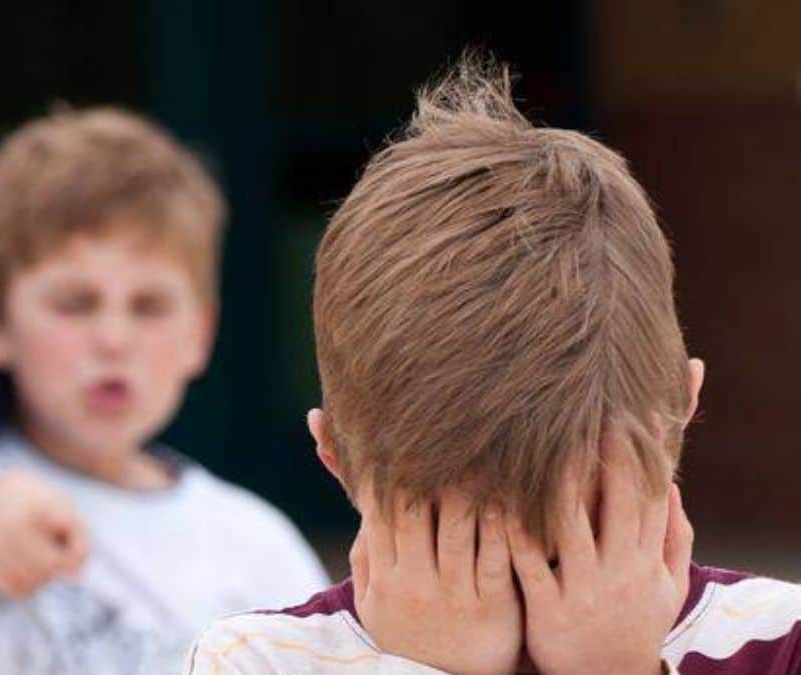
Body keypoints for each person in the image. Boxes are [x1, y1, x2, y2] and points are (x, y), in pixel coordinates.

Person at [185, 54, 801, 675]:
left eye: (578, 536)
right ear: (336, 458)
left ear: (683, 408)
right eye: (463, 542)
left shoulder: (784, 641)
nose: (530, 598)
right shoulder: (255, 661)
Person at [0, 107, 331, 675]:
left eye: (149, 307)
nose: (113, 339)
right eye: (74, 304)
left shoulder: (258, 547)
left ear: (200, 334)